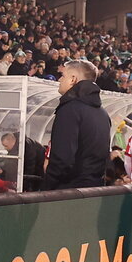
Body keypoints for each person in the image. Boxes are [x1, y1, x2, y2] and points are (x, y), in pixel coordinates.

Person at [42, 59, 111, 190]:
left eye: (63, 76)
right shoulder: (103, 114)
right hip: (94, 191)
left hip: (68, 193)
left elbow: (62, 159)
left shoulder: (69, 110)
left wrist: (46, 188)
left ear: (73, 79)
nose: (59, 80)